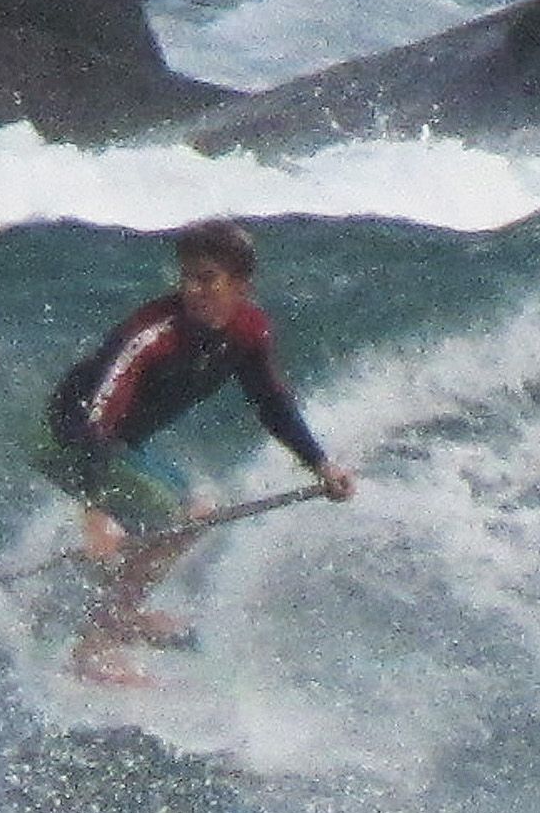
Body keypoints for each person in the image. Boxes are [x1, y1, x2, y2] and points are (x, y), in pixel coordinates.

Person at [40, 219, 351, 668]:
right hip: (72, 438)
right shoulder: (152, 334)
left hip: (121, 443)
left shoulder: (248, 331)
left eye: (208, 279)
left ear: (241, 285)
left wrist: (322, 465)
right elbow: (96, 419)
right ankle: (94, 647)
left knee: (196, 513)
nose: (194, 290)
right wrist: (96, 513)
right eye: (187, 278)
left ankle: (120, 612)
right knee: (178, 519)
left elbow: (272, 404)